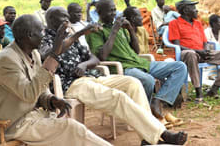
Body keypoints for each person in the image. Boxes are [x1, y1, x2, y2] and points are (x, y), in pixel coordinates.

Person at [40, 7, 187, 145]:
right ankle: (161, 133)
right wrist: (78, 34)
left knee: (133, 83)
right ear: (52, 20)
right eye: (63, 17)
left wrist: (84, 65)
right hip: (71, 84)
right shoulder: (44, 39)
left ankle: (146, 138)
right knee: (117, 97)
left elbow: (95, 59)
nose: (67, 20)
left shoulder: (71, 37)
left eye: (67, 16)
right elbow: (48, 55)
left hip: (91, 77)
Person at [0, 14, 109, 146]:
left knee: (72, 129)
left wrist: (51, 100)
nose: (44, 35)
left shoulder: (33, 53)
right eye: (41, 31)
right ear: (29, 35)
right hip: (11, 125)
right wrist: (54, 55)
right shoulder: (7, 60)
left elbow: (39, 90)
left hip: (31, 117)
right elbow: (29, 94)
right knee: (73, 130)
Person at [86, 0, 188, 120]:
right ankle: (145, 115)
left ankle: (157, 101)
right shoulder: (96, 31)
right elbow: (102, 56)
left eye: (114, 10)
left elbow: (136, 51)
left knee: (180, 67)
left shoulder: (120, 27)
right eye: (110, 11)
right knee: (148, 80)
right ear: (99, 12)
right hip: (122, 67)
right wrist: (113, 31)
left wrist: (129, 28)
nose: (113, 13)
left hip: (139, 63)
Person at [169, 0, 220, 101]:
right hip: (188, 54)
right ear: (186, 10)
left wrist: (205, 51)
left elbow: (205, 42)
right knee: (190, 54)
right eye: (194, 8)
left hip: (202, 53)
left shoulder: (197, 24)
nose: (196, 11)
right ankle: (198, 91)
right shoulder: (174, 23)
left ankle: (214, 88)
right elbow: (177, 46)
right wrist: (198, 51)